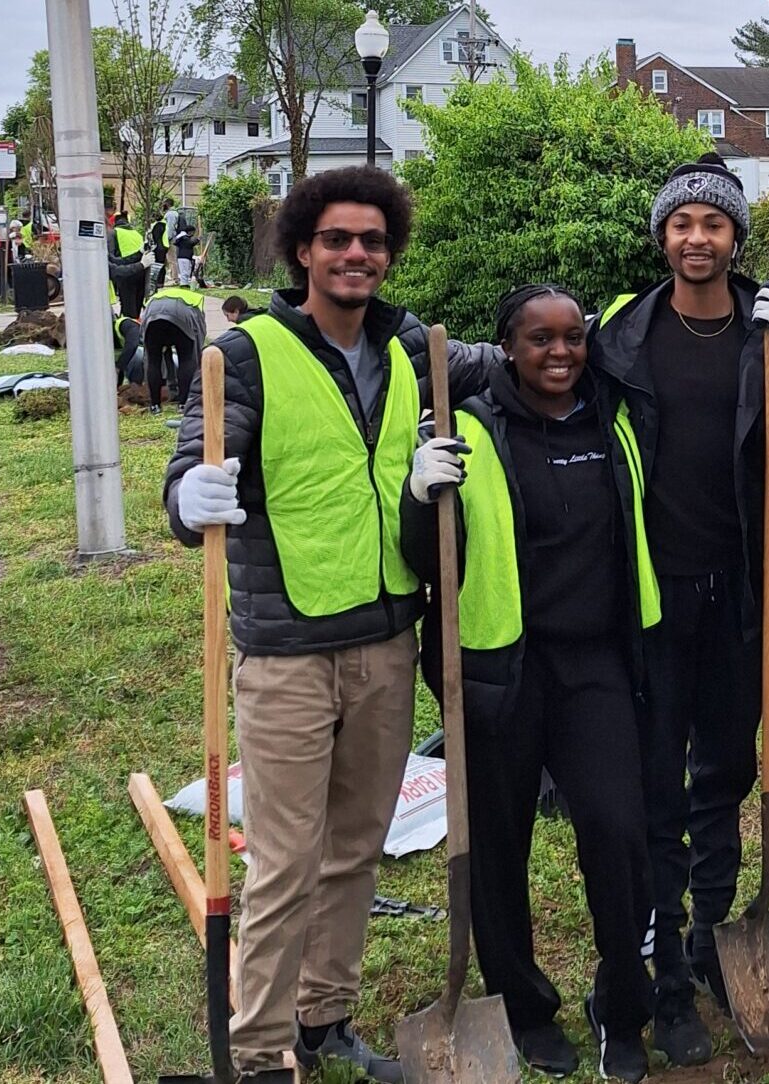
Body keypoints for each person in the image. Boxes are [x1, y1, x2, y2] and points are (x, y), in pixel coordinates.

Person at [162, 165, 501, 1084]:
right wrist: (187, 499)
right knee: (284, 859)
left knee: (355, 848)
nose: (358, 255)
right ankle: (263, 1048)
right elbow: (191, 468)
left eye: (374, 242)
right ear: (303, 250)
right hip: (287, 653)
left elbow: (528, 352)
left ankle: (324, 1017)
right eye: (339, 240)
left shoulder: (411, 349)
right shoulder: (247, 355)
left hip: (388, 639)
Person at [588, 152, 769, 1065]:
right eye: (682, 224)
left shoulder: (761, 339)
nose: (697, 238)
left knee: (724, 776)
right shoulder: (620, 337)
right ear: (663, 237)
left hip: (737, 599)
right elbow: (547, 394)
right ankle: (664, 967)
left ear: (736, 237)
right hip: (649, 602)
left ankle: (710, 939)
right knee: (657, 781)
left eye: (714, 224)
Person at [405, 284, 659, 1081]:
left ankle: (623, 1007)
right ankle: (522, 1008)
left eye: (573, 338)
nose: (560, 354)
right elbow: (423, 560)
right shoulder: (471, 431)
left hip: (597, 668)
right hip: (500, 671)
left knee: (619, 834)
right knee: (496, 849)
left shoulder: (614, 420)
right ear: (506, 347)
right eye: (540, 340)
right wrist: (419, 493)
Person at [138, 283, 206, 411]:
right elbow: (198, 339)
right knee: (186, 358)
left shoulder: (155, 298)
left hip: (153, 319)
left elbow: (144, 335)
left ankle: (155, 405)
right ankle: (184, 404)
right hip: (182, 317)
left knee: (153, 360)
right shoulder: (196, 299)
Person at [107, 212, 148, 317]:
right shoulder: (137, 233)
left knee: (128, 310)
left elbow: (112, 259)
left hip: (125, 275)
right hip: (141, 272)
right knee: (137, 309)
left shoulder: (113, 233)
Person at [173, 216, 200, 288]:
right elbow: (190, 243)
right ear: (190, 232)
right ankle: (184, 284)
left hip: (184, 256)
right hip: (184, 257)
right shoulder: (184, 238)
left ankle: (185, 283)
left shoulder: (182, 238)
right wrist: (197, 240)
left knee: (186, 270)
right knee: (185, 271)